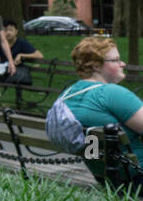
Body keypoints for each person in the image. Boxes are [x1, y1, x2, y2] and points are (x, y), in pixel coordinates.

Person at [60, 37, 143, 167]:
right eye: (116, 60)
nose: (123, 64)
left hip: (106, 176)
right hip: (136, 174)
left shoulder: (68, 95)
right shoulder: (112, 93)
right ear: (96, 66)